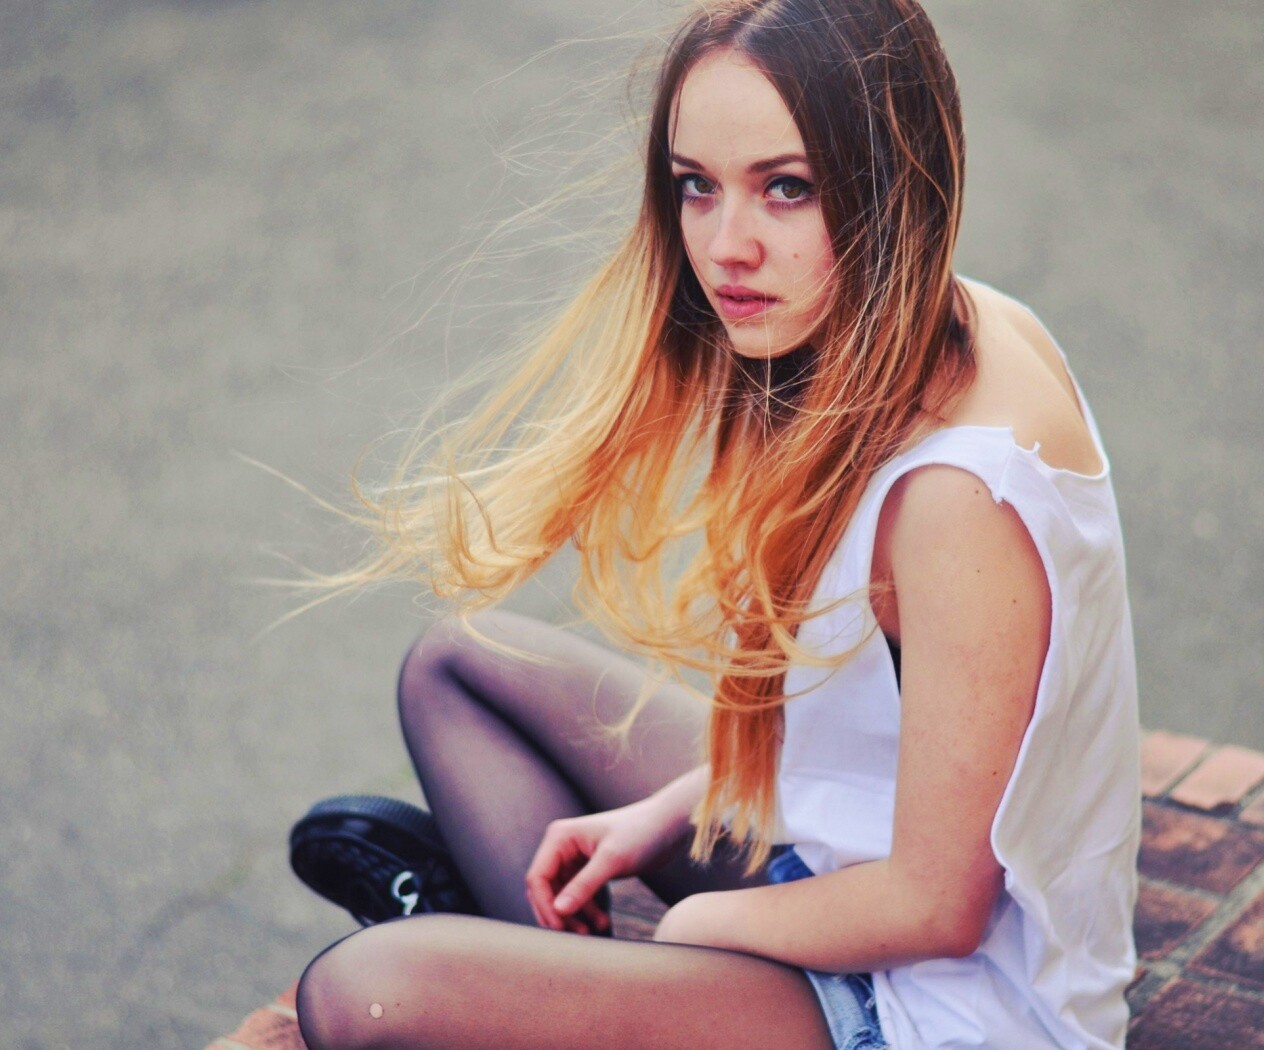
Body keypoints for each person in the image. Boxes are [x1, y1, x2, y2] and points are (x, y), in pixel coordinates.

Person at [291, 0, 1141, 1047]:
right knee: (459, 667)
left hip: (936, 1006)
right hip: (841, 852)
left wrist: (693, 928)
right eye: (697, 185)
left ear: (893, 181)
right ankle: (520, 979)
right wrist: (663, 814)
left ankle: (498, 970)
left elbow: (938, 907)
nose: (725, 246)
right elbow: (874, 731)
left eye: (787, 188)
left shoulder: (956, 499)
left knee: (359, 995)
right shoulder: (937, 319)